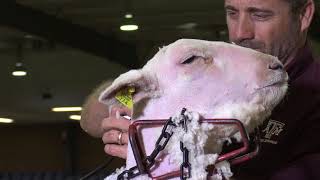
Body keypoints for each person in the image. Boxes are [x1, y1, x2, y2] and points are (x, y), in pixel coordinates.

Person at [81, 0, 320, 179]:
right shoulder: (215, 71)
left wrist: (179, 160)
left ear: (304, 15)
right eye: (232, 13)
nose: (240, 33)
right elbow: (92, 117)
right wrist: (142, 119)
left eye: (260, 15)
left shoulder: (312, 99)